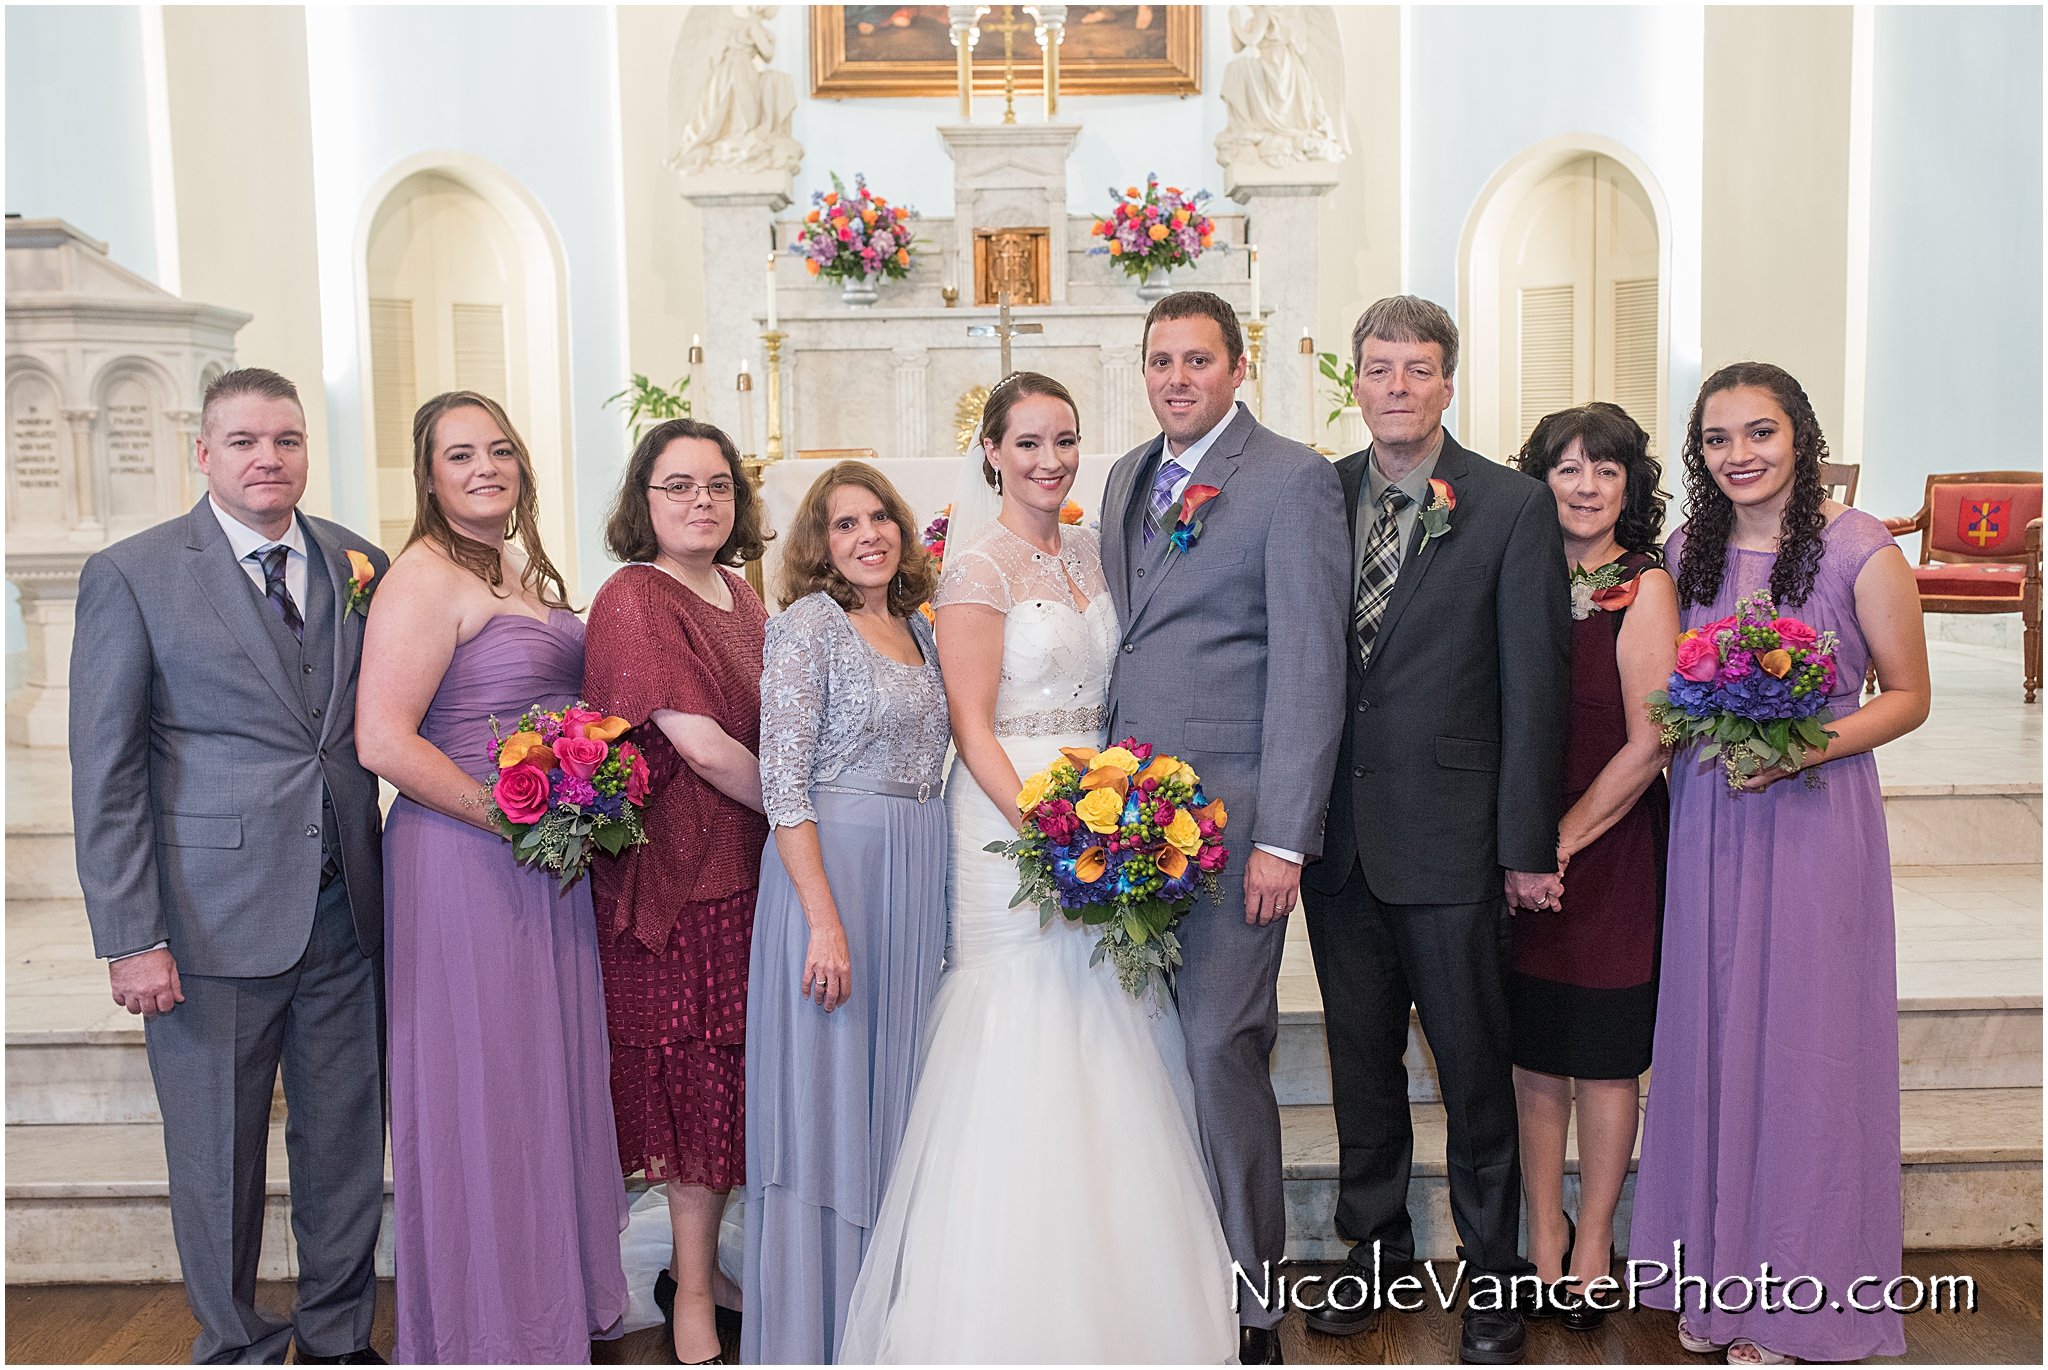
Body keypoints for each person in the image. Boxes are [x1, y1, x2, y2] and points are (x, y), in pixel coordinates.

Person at [840, 373, 1238, 1364]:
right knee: (1018, 1024)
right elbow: (971, 724)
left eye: (1063, 439)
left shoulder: (1098, 554)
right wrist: (1044, 832)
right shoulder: (974, 571)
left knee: (1109, 1025)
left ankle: (1119, 1289)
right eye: (1026, 443)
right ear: (989, 453)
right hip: (1009, 816)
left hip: (1100, 809)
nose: (1048, 459)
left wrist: (1121, 820)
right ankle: (998, 1306)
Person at [70, 367, 389, 1365]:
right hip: (208, 926)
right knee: (216, 1161)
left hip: (344, 915)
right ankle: (239, 1346)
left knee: (342, 1148)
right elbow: (106, 770)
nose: (268, 457)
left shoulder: (357, 560)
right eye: (244, 439)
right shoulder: (134, 573)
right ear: (201, 452)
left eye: (286, 438)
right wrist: (132, 937)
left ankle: (338, 1338)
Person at [1628, 363, 1929, 1365]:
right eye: (1717, 439)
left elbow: (1904, 695)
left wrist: (1804, 746)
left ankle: (1796, 1303)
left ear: (1796, 435)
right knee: (1713, 1037)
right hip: (1711, 816)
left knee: (1805, 1049)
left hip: (1810, 817)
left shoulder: (1858, 547)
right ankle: (1716, 1276)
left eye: (1758, 432)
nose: (1738, 455)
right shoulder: (1687, 551)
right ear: (1697, 453)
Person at [1299, 295, 1570, 1366]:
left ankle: (1491, 1279)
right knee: (1360, 1065)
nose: (1397, 386)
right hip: (1338, 840)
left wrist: (1522, 846)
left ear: (1447, 381)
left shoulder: (1507, 506)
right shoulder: (1316, 497)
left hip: (1455, 842)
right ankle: (1373, 1252)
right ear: (1354, 384)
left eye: (1417, 368)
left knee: (1471, 1071)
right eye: (1378, 368)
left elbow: (1534, 686)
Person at [1098, 292, 1352, 1367]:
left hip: (1235, 821)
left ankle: (1251, 1295)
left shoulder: (1290, 478)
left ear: (1238, 367)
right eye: (1159, 360)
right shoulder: (1118, 478)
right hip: (1118, 822)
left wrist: (1283, 836)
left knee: (1219, 1045)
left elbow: (1309, 664)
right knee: (1147, 1055)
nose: (1175, 378)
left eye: (1195, 359)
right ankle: (1163, 1271)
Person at [357, 391, 629, 1363]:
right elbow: (382, 737)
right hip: (463, 861)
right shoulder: (422, 576)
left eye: (500, 449)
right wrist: (505, 815)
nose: (484, 467)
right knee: (483, 1088)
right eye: (459, 453)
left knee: (541, 1080)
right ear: (428, 475)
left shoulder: (520, 565)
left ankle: (548, 1300)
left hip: (544, 862)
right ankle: (487, 1325)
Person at [742, 461, 952, 1365]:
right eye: (843, 524)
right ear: (817, 544)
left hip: (913, 872)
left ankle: (886, 1326)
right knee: (828, 1100)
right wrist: (823, 921)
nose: (867, 536)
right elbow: (783, 783)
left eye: (879, 519)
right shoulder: (805, 628)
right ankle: (815, 1334)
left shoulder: (920, 626)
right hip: (832, 879)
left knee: (897, 1098)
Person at [583, 418, 770, 1365]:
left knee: (729, 1083)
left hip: (747, 870)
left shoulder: (739, 592)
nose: (702, 501)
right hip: (678, 879)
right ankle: (691, 1297)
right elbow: (695, 743)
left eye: (719, 486)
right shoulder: (633, 594)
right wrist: (805, 806)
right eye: (678, 486)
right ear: (642, 502)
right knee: (690, 1084)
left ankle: (702, 1273)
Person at [1506, 402, 1678, 1331]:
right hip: (1520, 845)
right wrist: (1521, 844)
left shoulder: (1644, 586)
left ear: (1628, 485)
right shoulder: (1516, 570)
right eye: (1566, 468)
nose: (1583, 486)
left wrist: (1560, 840)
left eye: (1604, 470)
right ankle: (1540, 1239)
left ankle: (1593, 1244)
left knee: (1606, 1062)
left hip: (1608, 848)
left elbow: (1653, 740)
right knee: (1534, 1059)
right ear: (1540, 479)